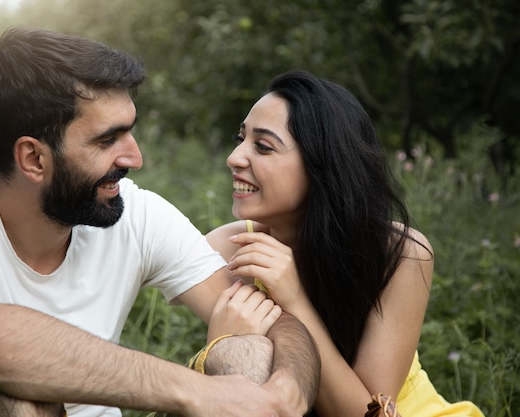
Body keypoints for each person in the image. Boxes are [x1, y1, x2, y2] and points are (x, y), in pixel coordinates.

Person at [0, 29, 320, 417]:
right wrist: (193, 391)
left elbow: (281, 325)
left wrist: (289, 386)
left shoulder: (138, 215)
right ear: (33, 158)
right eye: (107, 139)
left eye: (130, 132)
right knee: (14, 384)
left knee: (249, 353)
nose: (135, 159)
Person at [205, 70, 485, 417]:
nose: (235, 157)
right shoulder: (228, 249)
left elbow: (368, 413)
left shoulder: (399, 254)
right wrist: (218, 344)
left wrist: (294, 299)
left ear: (322, 165)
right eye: (240, 138)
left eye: (263, 146)